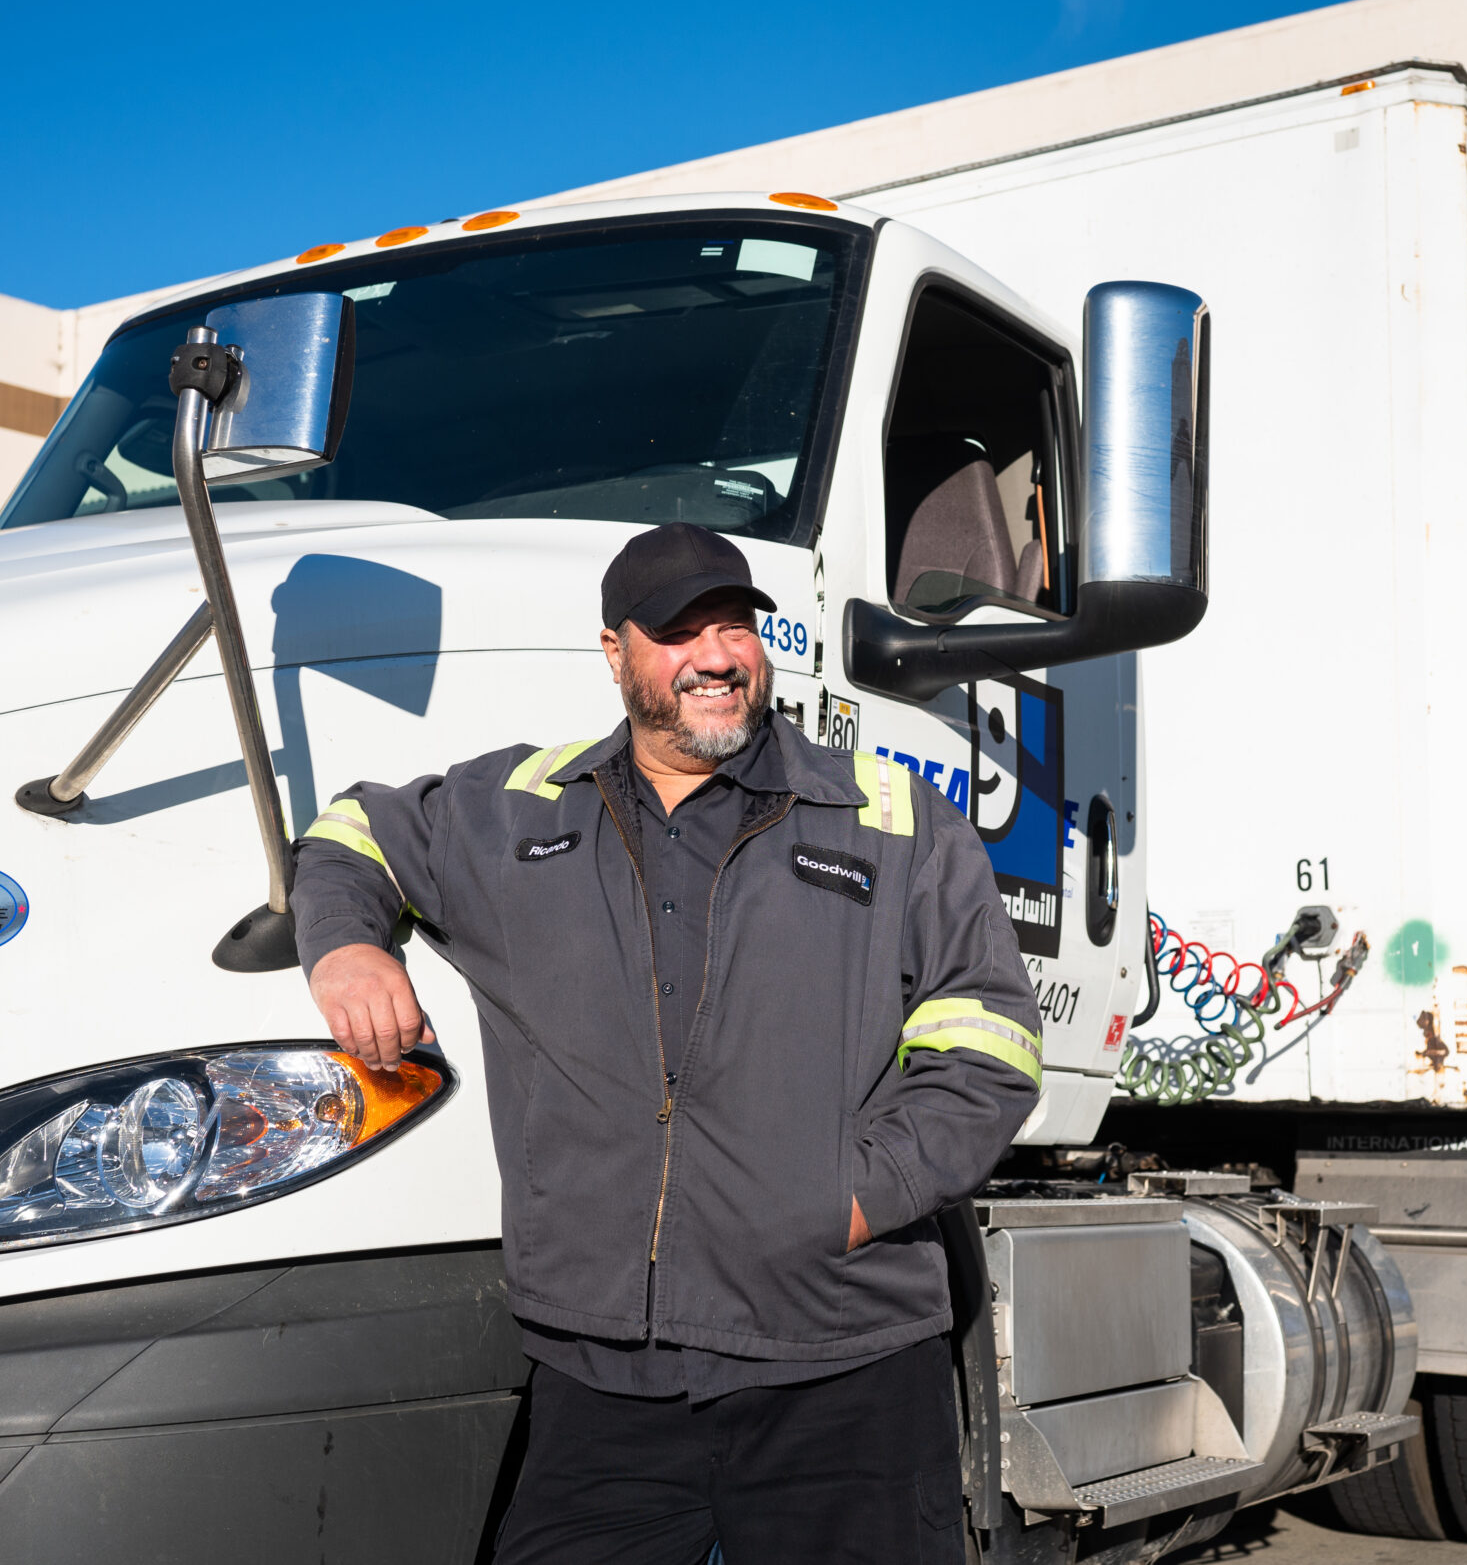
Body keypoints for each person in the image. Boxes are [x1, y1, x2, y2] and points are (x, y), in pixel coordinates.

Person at [292, 521, 1043, 1564]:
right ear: (616, 653)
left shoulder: (892, 819)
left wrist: (848, 1199)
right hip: (604, 1375)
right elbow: (353, 831)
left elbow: (989, 1041)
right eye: (679, 630)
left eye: (733, 625)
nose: (716, 655)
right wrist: (346, 950)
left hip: (839, 1359)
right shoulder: (516, 809)